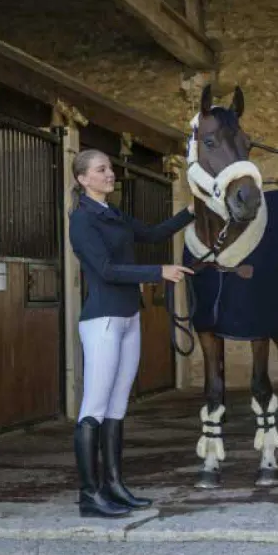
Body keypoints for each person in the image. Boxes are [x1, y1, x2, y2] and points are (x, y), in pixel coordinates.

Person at [68, 149, 193, 518]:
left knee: (117, 407)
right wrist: (158, 272)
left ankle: (114, 486)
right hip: (103, 319)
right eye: (101, 169)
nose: (110, 173)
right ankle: (89, 496)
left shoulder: (113, 213)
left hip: (127, 317)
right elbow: (106, 270)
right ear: (83, 179)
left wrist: (192, 211)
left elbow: (153, 234)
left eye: (110, 168)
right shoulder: (82, 220)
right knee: (94, 407)